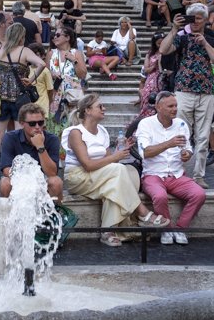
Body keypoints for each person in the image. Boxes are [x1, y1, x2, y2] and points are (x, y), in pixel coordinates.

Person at [64, 93, 167, 245]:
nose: (104, 109)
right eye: (100, 106)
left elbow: (107, 160)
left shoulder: (103, 131)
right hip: (78, 177)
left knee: (123, 178)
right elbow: (87, 165)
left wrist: (121, 150)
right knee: (119, 171)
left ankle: (107, 232)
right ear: (87, 110)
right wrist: (115, 158)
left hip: (97, 176)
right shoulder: (76, 132)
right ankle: (142, 214)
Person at [159, 4, 214, 188]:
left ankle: (198, 176)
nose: (195, 21)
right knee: (181, 133)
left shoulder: (211, 40)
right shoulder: (182, 38)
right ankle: (178, 172)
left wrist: (205, 43)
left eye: (198, 18)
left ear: (205, 20)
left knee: (203, 136)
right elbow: (163, 50)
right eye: (192, 18)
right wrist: (174, 28)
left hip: (206, 92)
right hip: (183, 90)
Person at [0, 22, 45, 180]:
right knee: (21, 135)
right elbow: (42, 63)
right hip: (20, 100)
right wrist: (31, 79)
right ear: (21, 36)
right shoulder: (24, 52)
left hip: (1, 98)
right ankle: (22, 171)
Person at [135, 92, 207, 245]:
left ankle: (180, 229)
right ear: (158, 107)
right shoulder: (146, 124)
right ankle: (167, 230)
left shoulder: (181, 124)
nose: (175, 109)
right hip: (152, 175)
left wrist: (187, 154)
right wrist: (168, 143)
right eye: (170, 106)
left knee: (199, 194)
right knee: (160, 196)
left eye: (176, 106)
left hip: (177, 175)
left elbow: (187, 148)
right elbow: (145, 153)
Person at [0, 102, 62, 200]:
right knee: (5, 183)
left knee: (56, 182)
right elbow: (6, 170)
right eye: (32, 123)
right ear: (22, 123)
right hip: (19, 180)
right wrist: (28, 181)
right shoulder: (10, 137)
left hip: (43, 181)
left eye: (40, 122)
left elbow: (52, 173)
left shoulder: (52, 139)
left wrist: (40, 146)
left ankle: (54, 214)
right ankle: (7, 214)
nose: (37, 127)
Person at [47, 24, 87, 122]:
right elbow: (45, 73)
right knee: (54, 125)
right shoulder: (51, 53)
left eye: (58, 35)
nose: (54, 37)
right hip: (55, 95)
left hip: (73, 97)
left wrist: (74, 60)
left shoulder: (76, 53)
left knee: (74, 123)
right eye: (54, 35)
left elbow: (82, 75)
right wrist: (51, 74)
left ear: (67, 37)